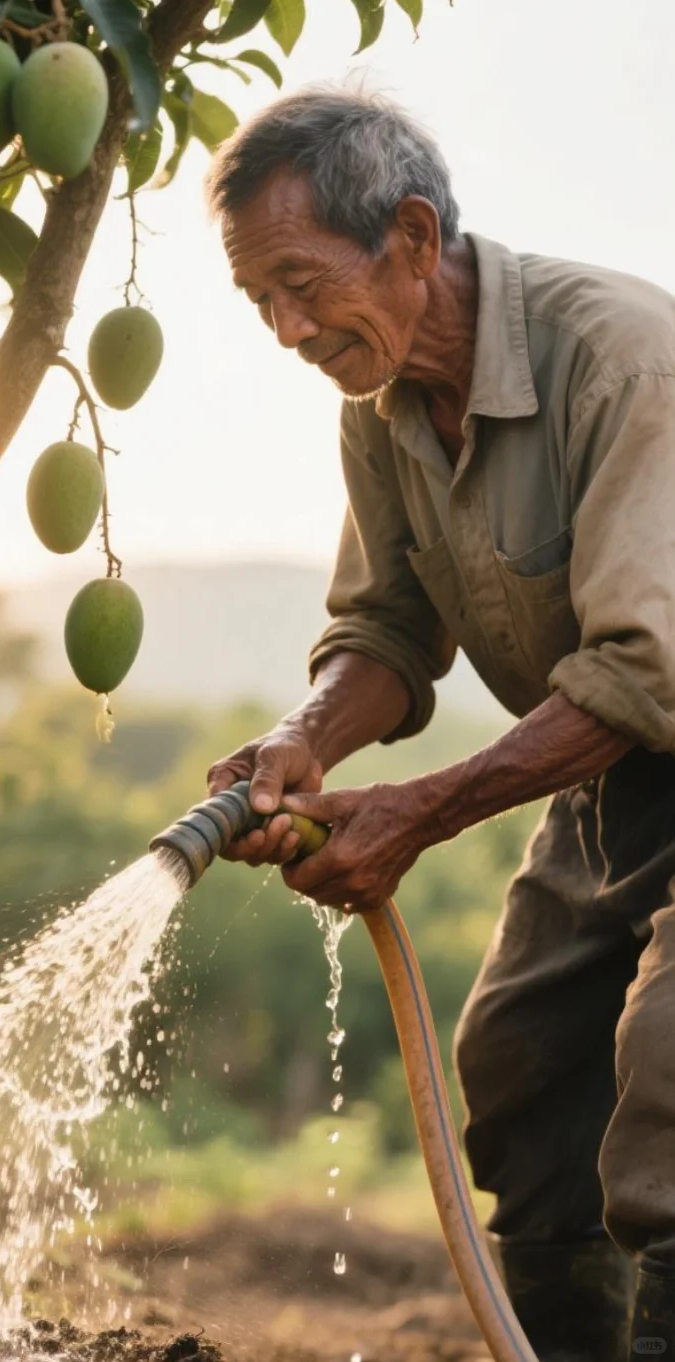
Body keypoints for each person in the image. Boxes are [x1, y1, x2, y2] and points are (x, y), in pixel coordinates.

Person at [203, 86, 675, 1362]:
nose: (288, 330)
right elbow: (387, 633)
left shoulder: (622, 354)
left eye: (302, 284)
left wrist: (415, 812)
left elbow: (641, 672)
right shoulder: (380, 407)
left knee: (670, 1076)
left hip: (646, 726)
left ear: (412, 237)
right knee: (520, 1066)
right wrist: (305, 739)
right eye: (261, 302)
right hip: (615, 778)